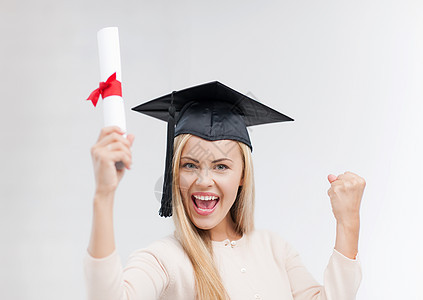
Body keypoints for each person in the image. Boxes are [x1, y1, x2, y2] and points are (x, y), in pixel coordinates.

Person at [83, 81, 365, 300]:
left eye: (220, 167)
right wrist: (103, 196)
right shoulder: (163, 259)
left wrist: (348, 222)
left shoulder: (275, 249)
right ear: (174, 172)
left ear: (243, 175)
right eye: (190, 165)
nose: (204, 180)